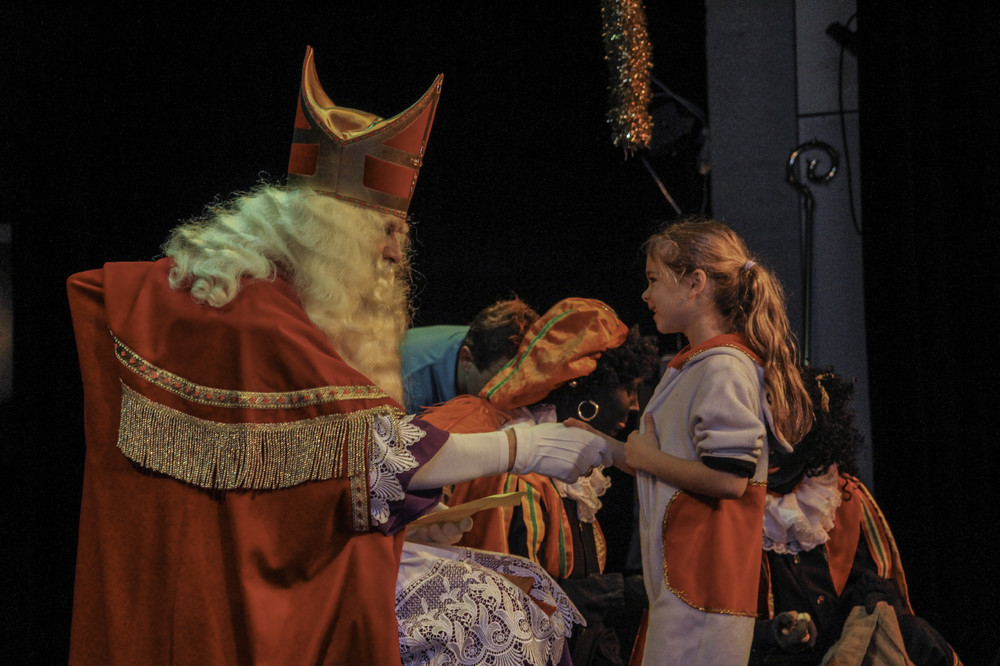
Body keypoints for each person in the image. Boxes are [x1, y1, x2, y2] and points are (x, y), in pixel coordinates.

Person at [65, 46, 610, 665]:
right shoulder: (256, 314)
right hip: (241, 586)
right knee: (495, 613)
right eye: (387, 233)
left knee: (517, 592)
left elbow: (308, 475)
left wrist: (417, 516)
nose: (397, 256)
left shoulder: (264, 298)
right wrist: (524, 447)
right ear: (335, 234)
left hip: (256, 558)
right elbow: (376, 453)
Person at [577, 218, 815, 665]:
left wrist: (645, 457)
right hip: (683, 584)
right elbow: (671, 463)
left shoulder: (724, 368)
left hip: (704, 589)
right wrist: (601, 445)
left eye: (653, 280)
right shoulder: (696, 365)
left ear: (695, 284)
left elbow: (729, 480)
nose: (645, 295)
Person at [417, 297, 660, 666]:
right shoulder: (517, 476)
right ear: (586, 389)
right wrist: (622, 591)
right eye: (629, 388)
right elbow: (506, 597)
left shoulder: (578, 477)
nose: (635, 405)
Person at [751, 366, 963, 665]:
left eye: (783, 433)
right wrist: (773, 632)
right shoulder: (731, 511)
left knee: (919, 638)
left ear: (811, 432)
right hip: (780, 656)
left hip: (851, 641)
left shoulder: (842, 497)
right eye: (761, 434)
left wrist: (862, 614)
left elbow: (881, 587)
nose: (771, 450)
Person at [400, 297, 539, 413]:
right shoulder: (408, 389)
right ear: (466, 359)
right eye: (500, 385)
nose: (512, 399)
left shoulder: (488, 340)